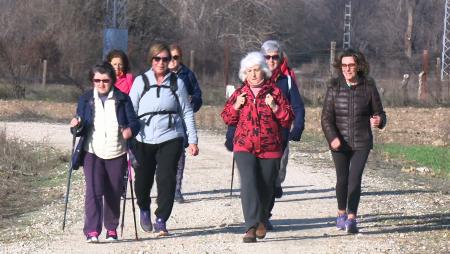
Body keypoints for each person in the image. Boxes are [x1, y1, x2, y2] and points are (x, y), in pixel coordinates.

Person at [221, 51, 293, 243]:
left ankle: (262, 218)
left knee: (266, 185)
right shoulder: (239, 93)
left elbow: (288, 119)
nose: (253, 74)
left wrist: (275, 107)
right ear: (244, 74)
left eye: (257, 70)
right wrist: (236, 105)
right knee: (249, 182)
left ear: (264, 72)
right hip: (244, 146)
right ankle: (250, 227)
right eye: (249, 71)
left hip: (270, 147)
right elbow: (227, 117)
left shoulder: (275, 92)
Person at [129, 42, 199, 236]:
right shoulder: (140, 82)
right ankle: (144, 207)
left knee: (167, 179)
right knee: (142, 182)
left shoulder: (178, 83)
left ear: (170, 61)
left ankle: (161, 219)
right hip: (143, 138)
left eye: (165, 59)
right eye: (157, 59)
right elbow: (130, 111)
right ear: (151, 60)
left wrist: (192, 140)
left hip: (171, 137)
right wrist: (128, 136)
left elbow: (187, 112)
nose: (161, 63)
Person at [70, 62, 140, 243]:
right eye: (97, 80)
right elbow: (80, 125)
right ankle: (92, 231)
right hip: (92, 151)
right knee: (93, 191)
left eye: (105, 80)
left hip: (117, 151)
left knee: (113, 191)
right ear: (92, 81)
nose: (101, 84)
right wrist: (76, 125)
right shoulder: (85, 99)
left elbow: (135, 123)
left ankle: (111, 229)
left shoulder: (123, 99)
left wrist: (130, 131)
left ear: (113, 80)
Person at [321, 49, 386, 234]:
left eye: (351, 65)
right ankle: (341, 213)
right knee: (342, 180)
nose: (347, 69)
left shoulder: (369, 87)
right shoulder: (334, 87)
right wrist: (332, 137)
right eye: (344, 66)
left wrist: (379, 121)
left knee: (354, 179)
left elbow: (380, 113)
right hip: (339, 142)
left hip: (361, 141)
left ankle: (352, 218)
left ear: (358, 66)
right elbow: (325, 118)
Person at [260, 40, 305, 229]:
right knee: (258, 178)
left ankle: (265, 214)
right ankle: (258, 216)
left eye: (275, 57)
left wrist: (298, 126)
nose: (271, 61)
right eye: (267, 57)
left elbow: (298, 106)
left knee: (274, 176)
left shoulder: (286, 80)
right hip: (257, 137)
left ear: (280, 58)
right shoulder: (254, 77)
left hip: (280, 137)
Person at [168, 43, 203, 203]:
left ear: (181, 58)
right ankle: (165, 189)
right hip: (164, 122)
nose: (172, 61)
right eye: (170, 57)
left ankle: (176, 190)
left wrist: (192, 102)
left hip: (181, 121)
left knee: (179, 158)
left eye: (176, 57)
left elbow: (198, 95)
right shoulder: (160, 75)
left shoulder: (188, 75)